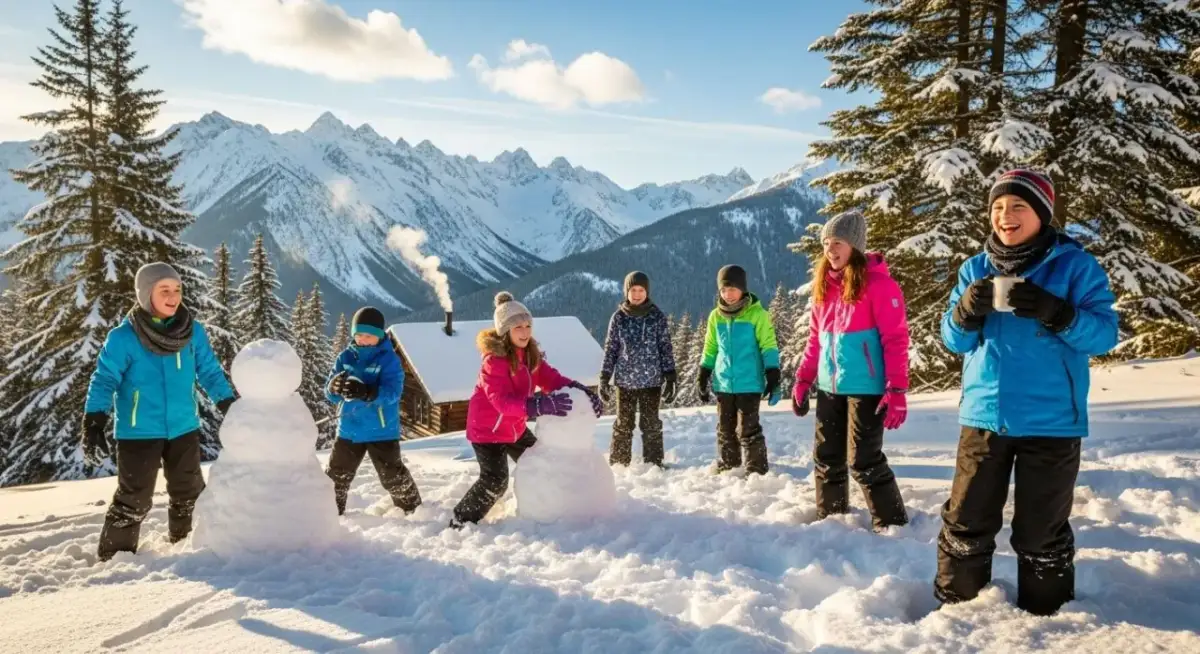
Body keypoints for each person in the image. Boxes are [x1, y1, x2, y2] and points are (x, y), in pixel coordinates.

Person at [935, 169, 1118, 615]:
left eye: (1018, 206)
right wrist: (963, 312)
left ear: (1041, 213)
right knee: (966, 522)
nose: (1005, 216)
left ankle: (1048, 617)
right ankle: (956, 610)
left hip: (1052, 421)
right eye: (997, 207)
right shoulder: (975, 268)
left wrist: (1059, 313)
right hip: (984, 417)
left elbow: (1104, 335)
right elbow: (953, 340)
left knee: (1041, 531)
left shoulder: (1075, 266)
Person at [84, 262, 236, 561]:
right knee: (134, 500)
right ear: (145, 294)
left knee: (190, 493)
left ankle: (189, 548)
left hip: (183, 427)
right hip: (139, 431)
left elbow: (209, 371)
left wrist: (228, 403)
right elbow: (104, 379)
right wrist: (94, 420)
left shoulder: (192, 332)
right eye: (164, 290)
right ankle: (114, 559)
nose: (173, 296)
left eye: (177, 289)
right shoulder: (123, 337)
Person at [792, 210, 910, 531]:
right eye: (827, 243)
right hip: (831, 386)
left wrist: (897, 389)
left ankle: (893, 525)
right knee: (827, 456)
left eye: (838, 242)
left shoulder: (880, 286)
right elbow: (815, 340)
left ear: (855, 245)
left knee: (864, 460)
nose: (830, 250)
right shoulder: (825, 287)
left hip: (867, 387)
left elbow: (896, 340)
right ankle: (832, 521)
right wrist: (804, 380)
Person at [450, 292, 603, 528]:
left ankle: (546, 507)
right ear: (505, 331)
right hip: (487, 431)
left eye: (528, 325)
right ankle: (461, 520)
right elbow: (500, 401)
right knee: (495, 480)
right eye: (517, 327)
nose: (524, 332)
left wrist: (582, 390)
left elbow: (552, 378)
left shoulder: (531, 355)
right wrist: (537, 406)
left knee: (542, 460)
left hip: (515, 428)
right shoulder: (494, 361)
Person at [324, 306, 422, 516]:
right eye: (358, 335)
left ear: (379, 336)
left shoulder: (389, 360)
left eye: (368, 336)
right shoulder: (345, 358)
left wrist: (368, 391)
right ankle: (329, 514)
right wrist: (334, 387)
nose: (363, 340)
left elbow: (393, 393)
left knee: (391, 475)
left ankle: (413, 509)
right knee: (336, 476)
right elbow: (330, 393)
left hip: (382, 429)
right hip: (349, 429)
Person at [696, 265, 780, 475]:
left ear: (742, 288)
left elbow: (768, 345)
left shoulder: (757, 315)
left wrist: (772, 372)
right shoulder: (716, 316)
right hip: (724, 382)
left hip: (749, 382)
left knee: (747, 429)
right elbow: (711, 346)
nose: (729, 294)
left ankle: (756, 470)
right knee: (725, 429)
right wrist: (704, 371)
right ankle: (728, 466)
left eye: (733, 288)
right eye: (724, 290)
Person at [599, 271, 676, 468]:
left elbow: (665, 347)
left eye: (641, 290)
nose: (637, 294)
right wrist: (604, 377)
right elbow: (611, 348)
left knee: (651, 425)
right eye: (633, 290)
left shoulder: (656, 316)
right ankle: (619, 464)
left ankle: (654, 464)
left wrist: (670, 375)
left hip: (652, 381)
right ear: (627, 292)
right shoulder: (618, 318)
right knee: (623, 425)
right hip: (624, 382)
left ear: (647, 292)